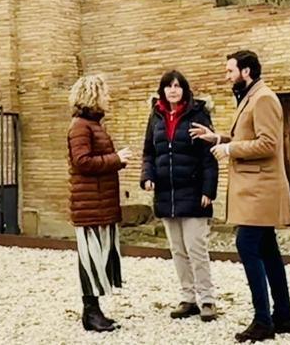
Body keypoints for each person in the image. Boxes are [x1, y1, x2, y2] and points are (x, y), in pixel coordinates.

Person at [191, 50, 290, 342]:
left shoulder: (263, 99)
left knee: (246, 244)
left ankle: (263, 321)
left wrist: (229, 150)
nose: (227, 77)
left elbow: (267, 144)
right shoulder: (251, 97)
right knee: (268, 251)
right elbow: (248, 136)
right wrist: (219, 138)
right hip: (255, 189)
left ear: (246, 71)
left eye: (230, 71)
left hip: (260, 188)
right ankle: (283, 316)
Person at [140, 69, 219, 322]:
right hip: (167, 194)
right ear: (162, 90)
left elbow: (209, 155)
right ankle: (188, 298)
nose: (173, 90)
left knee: (197, 248)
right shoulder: (156, 117)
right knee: (177, 249)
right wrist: (147, 176)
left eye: (177, 86)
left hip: (194, 193)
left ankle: (207, 300)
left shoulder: (198, 114)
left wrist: (209, 190)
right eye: (168, 86)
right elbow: (149, 153)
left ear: (184, 89)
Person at [67, 73, 131, 333]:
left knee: (99, 257)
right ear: (93, 96)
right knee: (90, 259)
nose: (109, 98)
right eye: (105, 93)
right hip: (89, 206)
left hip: (99, 204)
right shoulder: (80, 127)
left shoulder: (92, 126)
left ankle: (94, 311)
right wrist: (116, 159)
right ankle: (90, 313)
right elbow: (82, 162)